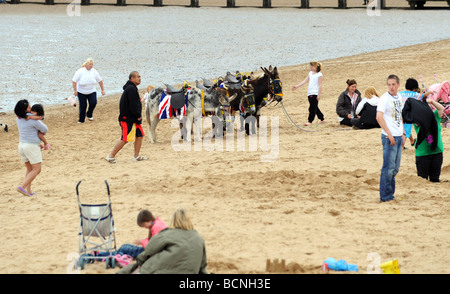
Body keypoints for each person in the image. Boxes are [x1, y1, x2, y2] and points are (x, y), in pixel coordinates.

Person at [117, 208, 208, 274]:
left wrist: (140, 261)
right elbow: (202, 267)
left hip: (159, 269)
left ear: (174, 221)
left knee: (134, 266)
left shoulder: (167, 234)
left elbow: (149, 250)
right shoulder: (199, 239)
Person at [105, 71, 147, 164]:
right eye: (137, 77)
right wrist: (138, 116)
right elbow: (133, 105)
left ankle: (136, 156)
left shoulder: (132, 88)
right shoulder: (131, 89)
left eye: (140, 76)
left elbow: (135, 104)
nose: (140, 78)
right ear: (132, 78)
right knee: (125, 138)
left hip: (133, 119)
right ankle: (110, 156)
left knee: (139, 136)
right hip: (128, 119)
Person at [376, 75, 405, 203]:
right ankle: (385, 196)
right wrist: (389, 133)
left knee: (395, 168)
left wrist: (404, 133)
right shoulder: (384, 98)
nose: (391, 87)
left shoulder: (399, 97)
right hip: (389, 137)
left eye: (393, 84)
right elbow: (379, 117)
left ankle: (390, 193)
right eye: (389, 84)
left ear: (398, 84)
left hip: (398, 135)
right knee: (388, 168)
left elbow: (400, 115)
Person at [403, 97, 444, 182]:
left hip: (437, 151)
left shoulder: (435, 116)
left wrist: (432, 102)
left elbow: (441, 108)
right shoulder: (418, 120)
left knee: (435, 179)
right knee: (422, 179)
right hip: (423, 154)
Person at [14, 99, 49, 196]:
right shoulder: (32, 119)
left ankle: (28, 191)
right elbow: (45, 129)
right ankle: (22, 186)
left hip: (21, 145)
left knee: (30, 169)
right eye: (29, 107)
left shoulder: (18, 118)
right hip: (31, 146)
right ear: (24, 109)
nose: (30, 109)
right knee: (37, 169)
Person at [399, 78, 433, 147]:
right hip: (407, 116)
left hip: (398, 115)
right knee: (405, 132)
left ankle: (409, 142)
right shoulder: (414, 94)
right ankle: (401, 146)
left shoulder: (399, 93)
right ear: (414, 88)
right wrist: (429, 92)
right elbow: (423, 96)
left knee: (402, 130)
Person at [291, 60, 325, 126]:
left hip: (315, 93)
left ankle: (310, 121)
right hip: (309, 93)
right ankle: (322, 119)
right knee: (315, 107)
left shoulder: (319, 75)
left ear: (315, 66)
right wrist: (297, 86)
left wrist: (319, 94)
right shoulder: (310, 73)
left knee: (312, 108)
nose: (310, 68)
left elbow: (320, 85)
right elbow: (305, 81)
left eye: (311, 67)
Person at [72, 58, 105, 123]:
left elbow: (100, 80)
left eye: (92, 64)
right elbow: (74, 81)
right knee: (83, 106)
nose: (91, 66)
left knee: (93, 103)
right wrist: (75, 90)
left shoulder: (94, 71)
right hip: (81, 92)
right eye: (90, 64)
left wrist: (102, 90)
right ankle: (81, 120)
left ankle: (89, 114)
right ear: (86, 64)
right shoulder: (80, 71)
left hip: (92, 91)